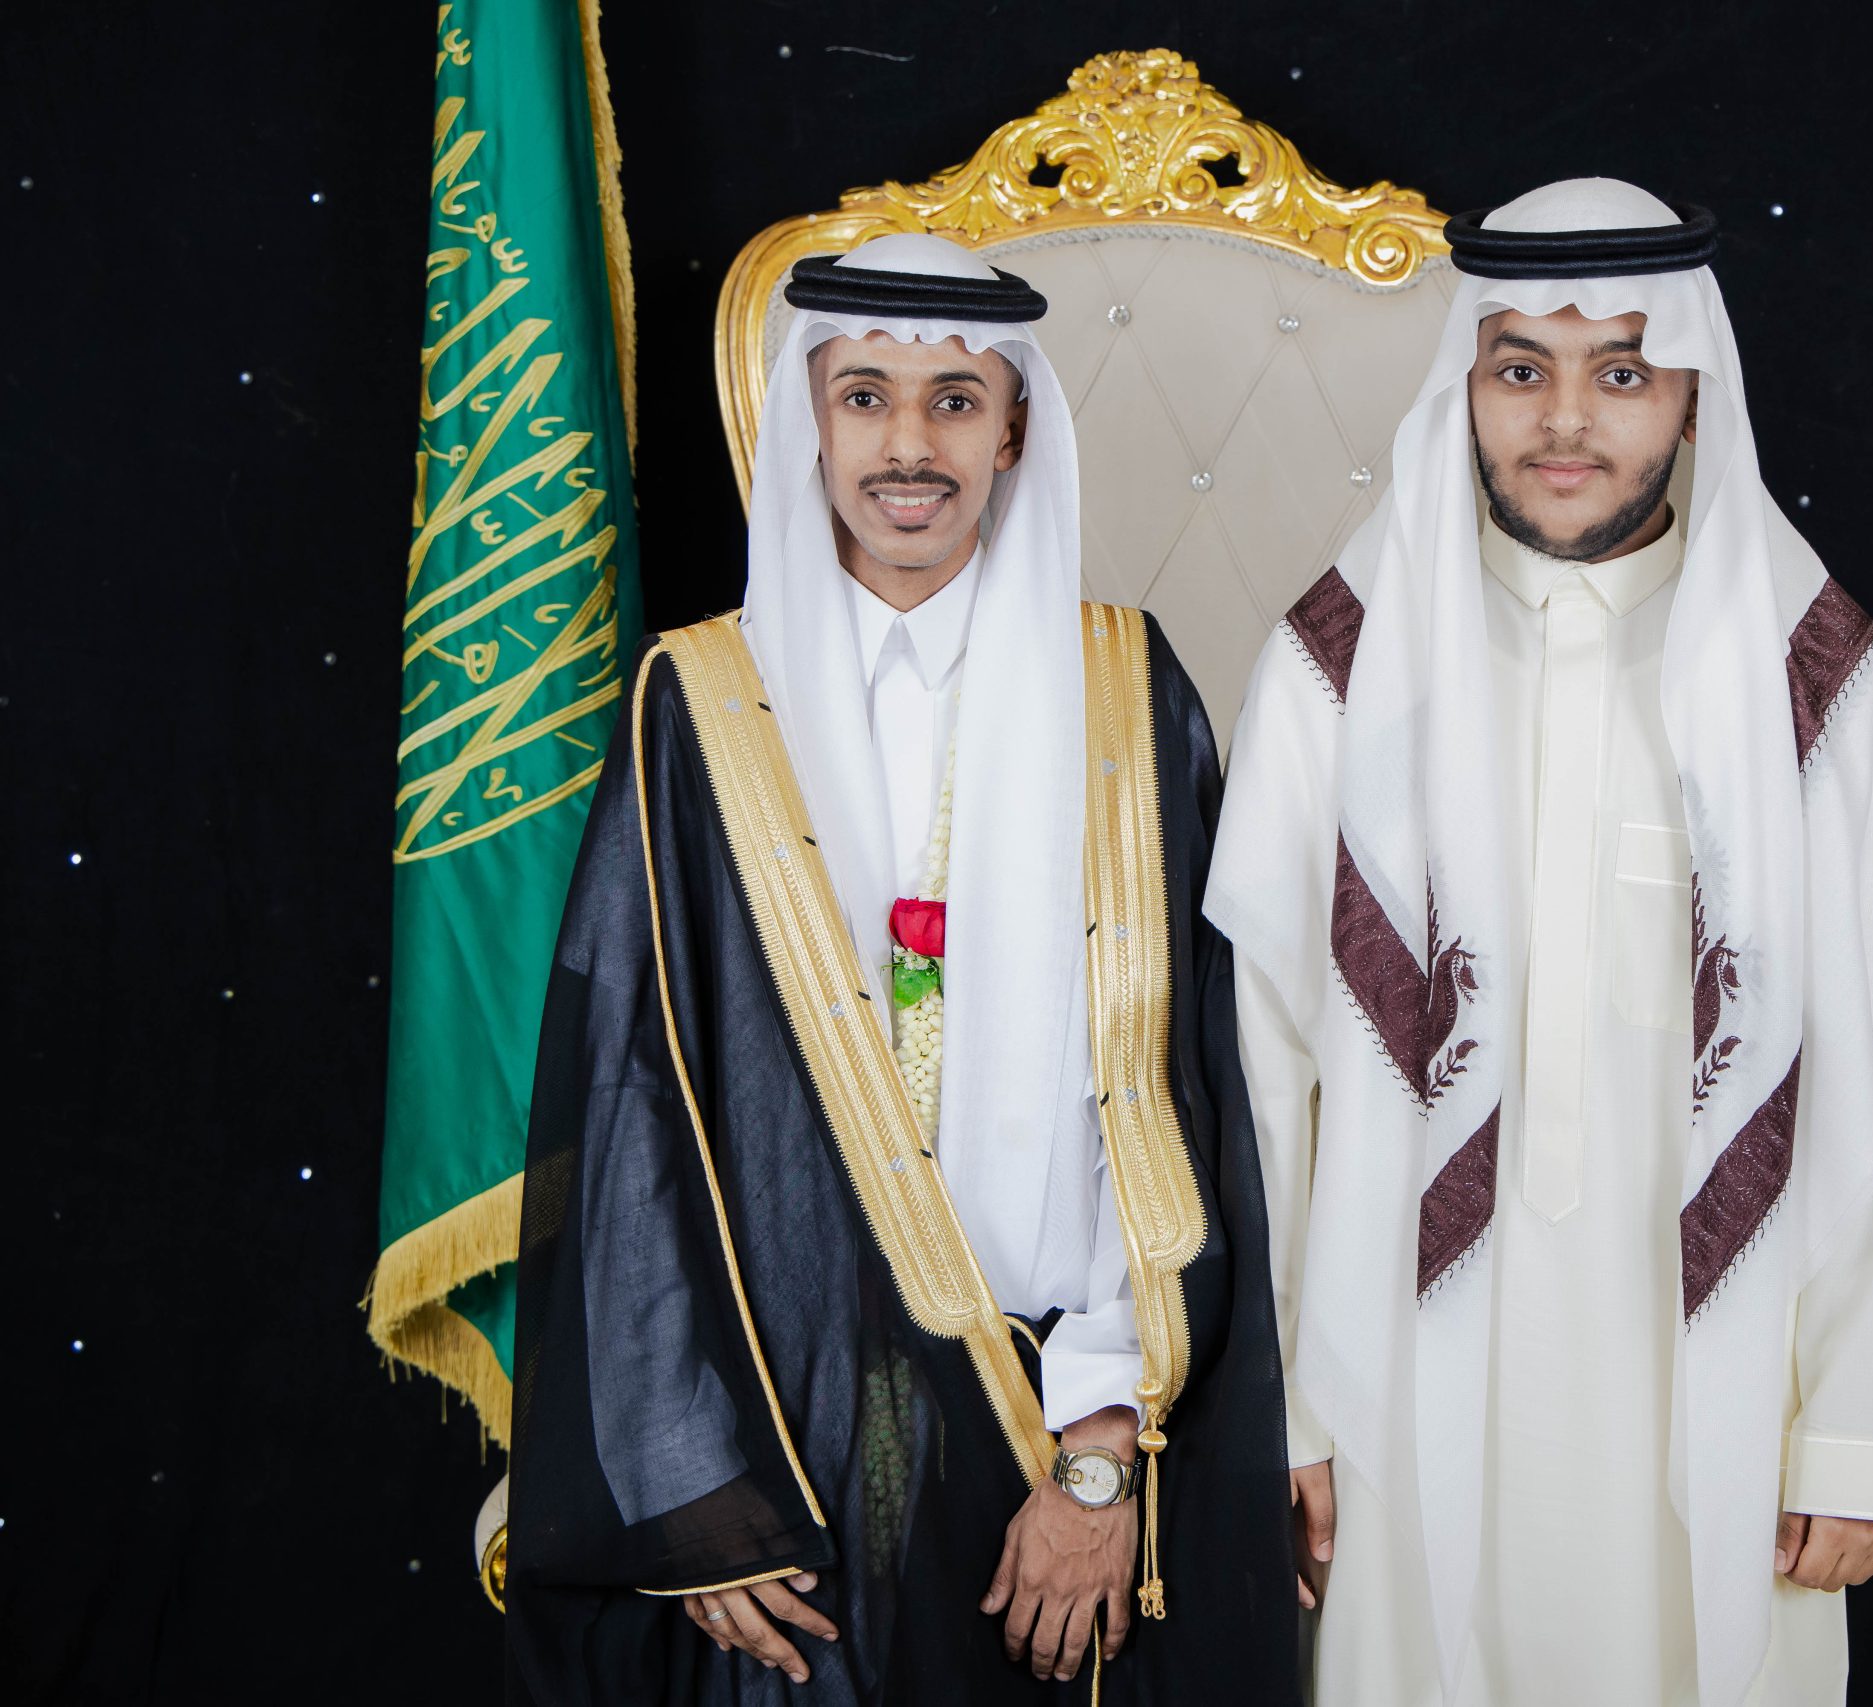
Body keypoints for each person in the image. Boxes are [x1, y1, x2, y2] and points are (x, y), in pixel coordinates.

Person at [1206, 179, 1873, 1705]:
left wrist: (1862, 1436)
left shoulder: (1814, 682)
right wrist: (1279, 1417)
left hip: (1727, 1404)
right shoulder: (1343, 672)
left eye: (1624, 372)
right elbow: (1261, 1078)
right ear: (1464, 384)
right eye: (1521, 367)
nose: (1566, 421)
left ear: (1693, 396)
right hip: (1394, 1393)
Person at [501, 235, 1296, 1706]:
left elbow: (1188, 1089)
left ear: (1014, 431)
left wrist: (1102, 1453)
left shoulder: (1125, 689)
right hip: (786, 1432)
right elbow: (630, 1104)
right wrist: (695, 1489)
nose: (909, 445)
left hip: (1071, 1414)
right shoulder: (701, 698)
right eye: (865, 396)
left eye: (955, 400)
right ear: (810, 421)